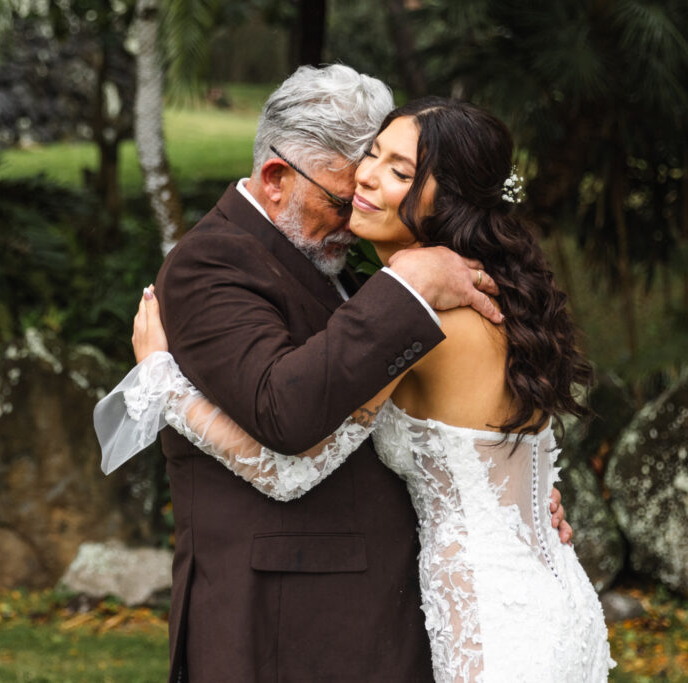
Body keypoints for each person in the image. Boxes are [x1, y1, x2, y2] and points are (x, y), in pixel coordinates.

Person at [99, 94, 608, 681]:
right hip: (551, 600)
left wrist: (163, 385)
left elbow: (294, 466)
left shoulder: (426, 320)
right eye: (372, 155)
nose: (363, 177)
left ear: (450, 200)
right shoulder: (495, 300)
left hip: (490, 625)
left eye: (399, 171)